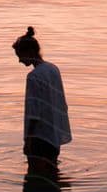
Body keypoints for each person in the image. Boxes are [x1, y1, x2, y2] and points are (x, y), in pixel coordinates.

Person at [12, 26, 72, 169]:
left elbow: (34, 113)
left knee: (36, 176)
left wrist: (29, 141)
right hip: (53, 135)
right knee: (52, 174)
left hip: (39, 137)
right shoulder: (53, 69)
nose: (19, 60)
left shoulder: (34, 77)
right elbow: (62, 103)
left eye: (20, 55)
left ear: (30, 51)